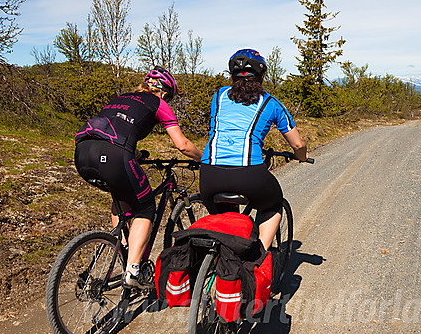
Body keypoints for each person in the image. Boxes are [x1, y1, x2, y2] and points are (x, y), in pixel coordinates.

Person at [74, 66, 202, 288]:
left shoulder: (120, 98)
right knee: (145, 209)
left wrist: (135, 155)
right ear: (163, 92)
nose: (168, 100)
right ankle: (133, 270)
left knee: (121, 198)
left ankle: (122, 251)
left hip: (82, 152)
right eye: (169, 96)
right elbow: (182, 145)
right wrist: (204, 159)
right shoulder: (158, 104)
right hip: (114, 155)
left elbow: (113, 130)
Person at [199, 49, 308, 250]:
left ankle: (223, 256)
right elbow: (298, 144)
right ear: (262, 76)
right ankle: (259, 256)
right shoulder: (271, 103)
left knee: (225, 221)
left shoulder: (218, 96)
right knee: (273, 203)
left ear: (231, 75)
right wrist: (301, 157)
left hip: (209, 174)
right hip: (248, 173)